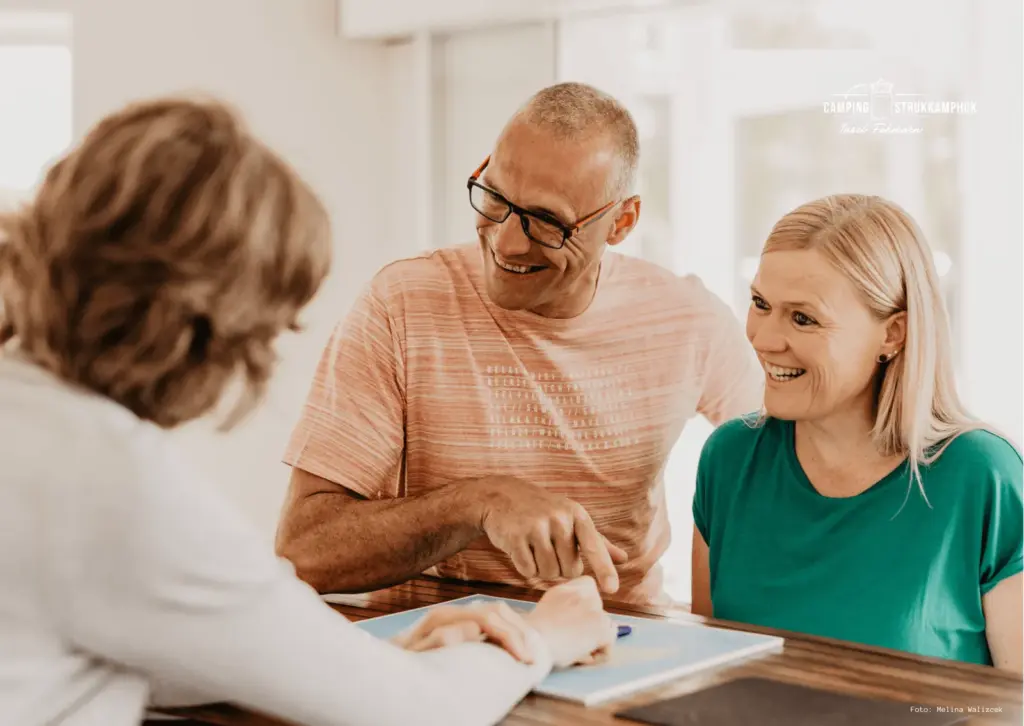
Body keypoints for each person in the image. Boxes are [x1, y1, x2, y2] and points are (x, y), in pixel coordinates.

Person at [0, 96, 621, 726]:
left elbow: (143, 644)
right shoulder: (112, 483)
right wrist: (543, 640)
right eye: (267, 330)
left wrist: (368, 662)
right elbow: (417, 716)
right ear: (201, 326)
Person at [276, 82, 764, 605]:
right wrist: (477, 504)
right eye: (495, 198)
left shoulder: (687, 321)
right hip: (434, 646)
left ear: (621, 222)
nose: (507, 241)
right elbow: (304, 551)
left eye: (548, 222)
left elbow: (789, 462)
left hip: (619, 642)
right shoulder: (402, 304)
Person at [690, 194, 1023, 670]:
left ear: (893, 334)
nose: (763, 339)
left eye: (803, 318)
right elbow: (708, 673)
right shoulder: (730, 459)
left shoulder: (982, 475)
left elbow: (1013, 708)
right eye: (761, 304)